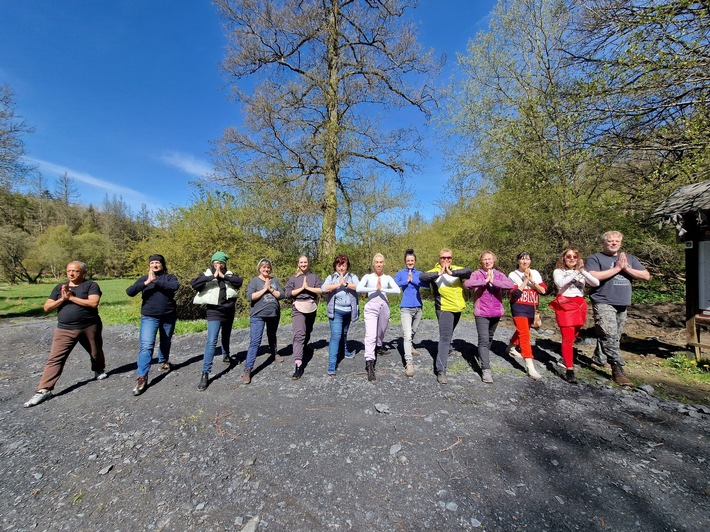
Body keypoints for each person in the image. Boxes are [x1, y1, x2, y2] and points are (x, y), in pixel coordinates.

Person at [24, 261, 107, 408]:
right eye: (69, 271)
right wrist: (62, 298)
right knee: (55, 358)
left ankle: (98, 369)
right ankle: (44, 390)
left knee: (96, 352)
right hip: (65, 329)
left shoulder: (91, 285)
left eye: (75, 271)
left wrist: (71, 298)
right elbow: (46, 307)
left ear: (83, 272)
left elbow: (93, 303)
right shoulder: (59, 288)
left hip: (89, 326)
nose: (71, 273)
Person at [586, 231, 650, 386]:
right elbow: (592, 277)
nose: (614, 243)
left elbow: (646, 276)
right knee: (608, 333)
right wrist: (616, 269)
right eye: (610, 241)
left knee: (614, 335)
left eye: (617, 241)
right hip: (603, 301)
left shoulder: (629, 259)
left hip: (622, 302)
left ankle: (599, 357)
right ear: (603, 243)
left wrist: (626, 268)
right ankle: (617, 369)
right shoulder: (595, 258)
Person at [126, 254, 180, 396]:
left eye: (157, 263)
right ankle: (142, 377)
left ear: (162, 264)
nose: (155, 265)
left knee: (166, 341)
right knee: (146, 346)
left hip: (168, 316)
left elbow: (175, 286)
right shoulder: (144, 279)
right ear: (149, 265)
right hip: (149, 317)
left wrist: (155, 282)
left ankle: (163, 362)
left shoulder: (169, 278)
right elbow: (130, 292)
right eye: (152, 263)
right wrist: (147, 282)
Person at [191, 252, 243, 391]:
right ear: (212, 263)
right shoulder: (207, 274)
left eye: (220, 263)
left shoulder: (230, 274)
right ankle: (205, 373)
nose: (217, 265)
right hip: (214, 311)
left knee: (226, 335)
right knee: (212, 340)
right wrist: (212, 277)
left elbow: (239, 282)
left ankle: (226, 356)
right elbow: (194, 284)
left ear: (225, 263)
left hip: (228, 310)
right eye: (215, 263)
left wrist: (223, 276)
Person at [419, 249, 472, 384]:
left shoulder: (457, 269)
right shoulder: (434, 271)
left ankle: (448, 348)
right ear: (439, 259)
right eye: (443, 258)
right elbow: (423, 277)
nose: (446, 260)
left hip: (458, 307)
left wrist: (452, 272)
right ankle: (441, 370)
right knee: (445, 336)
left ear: (452, 259)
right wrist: (439, 273)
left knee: (449, 332)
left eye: (448, 258)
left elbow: (468, 271)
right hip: (443, 308)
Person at [464, 251, 515, 383]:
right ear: (481, 262)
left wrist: (494, 281)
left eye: (489, 259)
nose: (487, 261)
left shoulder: (499, 274)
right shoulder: (477, 274)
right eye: (485, 259)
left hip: (496, 312)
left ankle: (483, 354)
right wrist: (485, 281)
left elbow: (510, 285)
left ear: (494, 261)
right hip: (482, 312)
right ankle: (486, 369)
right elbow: (468, 284)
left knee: (490, 337)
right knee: (483, 339)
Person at [550, 248, 600, 384]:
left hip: (579, 305)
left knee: (573, 337)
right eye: (569, 256)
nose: (572, 258)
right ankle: (569, 369)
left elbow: (596, 283)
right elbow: (560, 283)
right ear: (564, 258)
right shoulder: (559, 272)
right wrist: (576, 272)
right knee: (567, 338)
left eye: (575, 256)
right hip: (565, 305)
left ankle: (564, 359)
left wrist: (582, 271)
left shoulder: (582, 272)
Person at [356, 253, 401, 383]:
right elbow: (359, 288)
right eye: (376, 262)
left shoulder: (387, 278)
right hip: (371, 306)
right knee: (370, 334)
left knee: (381, 330)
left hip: (384, 306)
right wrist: (374, 288)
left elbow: (397, 290)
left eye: (381, 262)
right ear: (373, 263)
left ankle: (379, 346)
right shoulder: (368, 277)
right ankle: (369, 363)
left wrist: (382, 290)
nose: (379, 264)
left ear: (384, 263)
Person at [243, 258, 284, 384]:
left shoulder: (275, 280)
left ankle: (274, 352)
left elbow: (282, 295)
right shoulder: (254, 281)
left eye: (268, 267)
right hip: (258, 315)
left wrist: (271, 289)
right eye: (263, 267)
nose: (266, 269)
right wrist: (265, 289)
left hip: (273, 314)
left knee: (272, 335)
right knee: (255, 341)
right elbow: (250, 296)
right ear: (259, 268)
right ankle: (248, 369)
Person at [508, 252, 547, 379]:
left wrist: (532, 280)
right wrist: (525, 280)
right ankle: (530, 366)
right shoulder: (513, 275)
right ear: (518, 261)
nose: (525, 262)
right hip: (518, 307)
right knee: (525, 334)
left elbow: (543, 291)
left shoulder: (535, 273)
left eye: (528, 259)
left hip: (532, 307)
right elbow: (515, 294)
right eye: (522, 259)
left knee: (522, 330)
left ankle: (510, 347)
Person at [285, 255, 322, 380]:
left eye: (305, 262)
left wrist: (308, 288)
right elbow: (287, 293)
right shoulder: (293, 278)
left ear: (308, 263)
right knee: (299, 334)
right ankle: (298, 364)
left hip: (311, 306)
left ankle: (304, 347)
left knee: (308, 330)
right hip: (298, 307)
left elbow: (321, 290)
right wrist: (301, 288)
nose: (303, 264)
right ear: (298, 264)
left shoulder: (314, 277)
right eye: (301, 262)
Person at [321, 254, 359, 376]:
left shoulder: (353, 277)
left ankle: (345, 351)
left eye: (343, 265)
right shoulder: (331, 277)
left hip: (348, 311)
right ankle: (332, 364)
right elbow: (323, 288)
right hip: (336, 310)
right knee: (336, 335)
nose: (341, 268)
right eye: (339, 265)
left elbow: (359, 287)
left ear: (347, 265)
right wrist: (339, 284)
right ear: (335, 266)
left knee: (344, 332)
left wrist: (346, 284)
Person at [394, 249, 427, 377]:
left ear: (415, 261)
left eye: (412, 260)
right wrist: (406, 281)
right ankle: (409, 363)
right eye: (408, 260)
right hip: (406, 308)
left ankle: (411, 346)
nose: (410, 262)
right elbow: (394, 284)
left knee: (413, 331)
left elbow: (426, 285)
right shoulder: (401, 273)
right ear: (405, 261)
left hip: (418, 307)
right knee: (407, 335)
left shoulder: (419, 273)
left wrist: (413, 280)